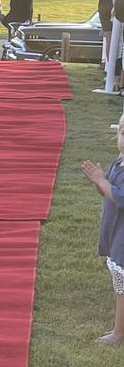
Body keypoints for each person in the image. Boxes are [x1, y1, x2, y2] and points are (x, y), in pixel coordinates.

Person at [82, 115, 124, 344]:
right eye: (123, 134)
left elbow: (119, 196)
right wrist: (99, 182)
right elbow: (107, 190)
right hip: (115, 231)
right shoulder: (119, 161)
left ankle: (118, 334)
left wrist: (103, 182)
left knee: (122, 287)